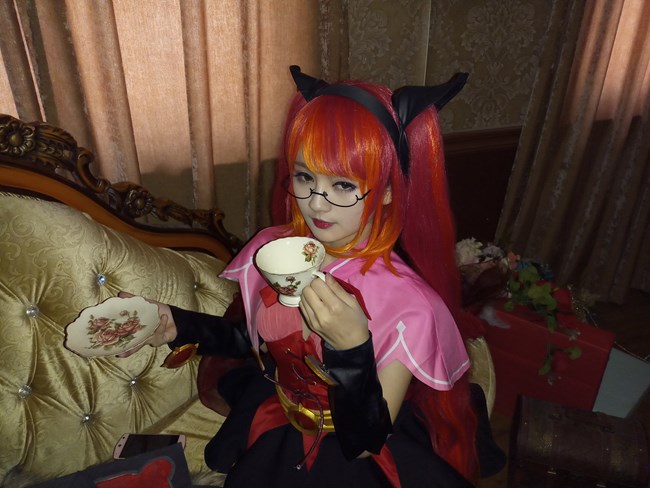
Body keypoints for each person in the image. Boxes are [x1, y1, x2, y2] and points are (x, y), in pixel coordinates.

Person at [122, 65, 505, 487]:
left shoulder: (409, 304)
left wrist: (353, 348)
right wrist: (178, 324)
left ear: (388, 190)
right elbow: (256, 342)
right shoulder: (277, 251)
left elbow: (363, 443)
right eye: (305, 177)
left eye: (343, 185)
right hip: (279, 414)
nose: (317, 204)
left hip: (352, 452)